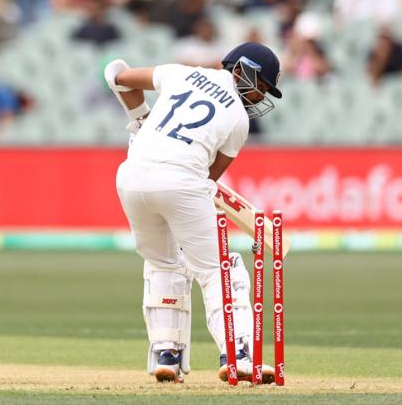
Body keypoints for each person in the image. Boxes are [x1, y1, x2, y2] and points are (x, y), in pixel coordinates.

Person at [103, 42, 283, 384]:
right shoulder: (239, 119)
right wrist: (146, 125)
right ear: (242, 70)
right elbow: (209, 178)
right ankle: (239, 355)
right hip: (181, 181)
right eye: (261, 86)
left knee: (163, 264)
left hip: (131, 175)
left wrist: (141, 119)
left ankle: (166, 355)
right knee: (219, 269)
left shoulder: (182, 73)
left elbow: (119, 76)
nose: (260, 96)